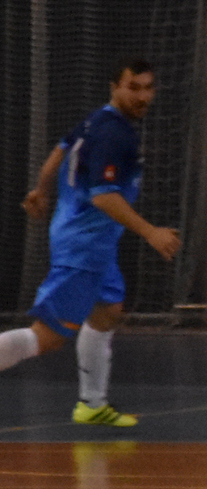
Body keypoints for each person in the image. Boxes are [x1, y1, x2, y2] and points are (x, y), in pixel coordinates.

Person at [1, 56, 181, 424]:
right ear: (115, 87)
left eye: (148, 88)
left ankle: (92, 404)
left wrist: (41, 188)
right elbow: (103, 196)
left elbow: (59, 150)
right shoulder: (114, 134)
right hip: (82, 247)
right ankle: (92, 402)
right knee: (47, 337)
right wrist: (151, 232)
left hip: (95, 245)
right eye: (134, 87)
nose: (142, 96)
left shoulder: (97, 119)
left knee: (107, 312)